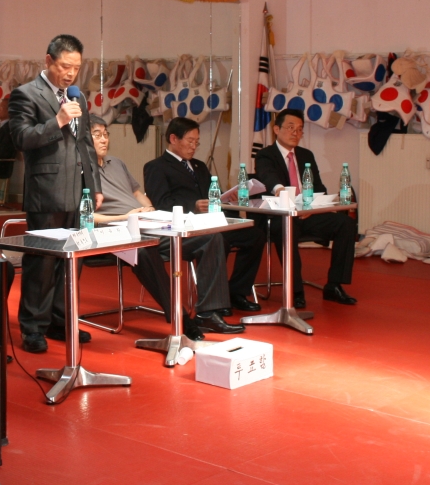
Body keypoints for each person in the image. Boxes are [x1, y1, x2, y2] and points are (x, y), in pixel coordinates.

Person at [91, 117, 240, 339]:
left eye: (106, 134)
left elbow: (136, 192)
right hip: (116, 230)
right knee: (145, 250)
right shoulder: (79, 169)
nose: (104, 140)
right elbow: (84, 215)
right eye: (97, 135)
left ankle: (208, 312)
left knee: (211, 238)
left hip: (146, 223)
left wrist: (150, 209)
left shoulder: (117, 163)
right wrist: (126, 216)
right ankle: (180, 316)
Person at [9, 34, 101, 354]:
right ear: (48, 61)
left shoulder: (79, 97)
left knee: (72, 259)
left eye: (76, 67)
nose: (70, 74)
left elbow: (85, 143)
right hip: (46, 190)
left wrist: (94, 186)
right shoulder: (25, 94)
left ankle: (60, 320)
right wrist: (58, 120)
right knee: (43, 262)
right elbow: (21, 138)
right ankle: (33, 327)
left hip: (78, 189)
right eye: (64, 66)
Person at [143, 117, 265, 329]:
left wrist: (228, 199)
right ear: (173, 138)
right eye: (190, 141)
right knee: (215, 240)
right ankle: (209, 309)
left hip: (209, 223)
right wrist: (193, 206)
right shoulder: (156, 167)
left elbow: (213, 197)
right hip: (183, 228)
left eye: (196, 142)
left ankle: (236, 291)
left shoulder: (199, 166)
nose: (194, 146)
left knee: (255, 235)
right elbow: (161, 204)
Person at [254, 108, 359, 308]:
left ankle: (334, 285)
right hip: (278, 217)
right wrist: (280, 190)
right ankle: (295, 290)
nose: (295, 133)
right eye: (290, 127)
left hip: (306, 214)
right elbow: (268, 177)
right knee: (288, 228)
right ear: (276, 129)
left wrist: (315, 205)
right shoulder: (265, 155)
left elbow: (318, 187)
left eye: (299, 129)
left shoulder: (306, 155)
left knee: (345, 224)